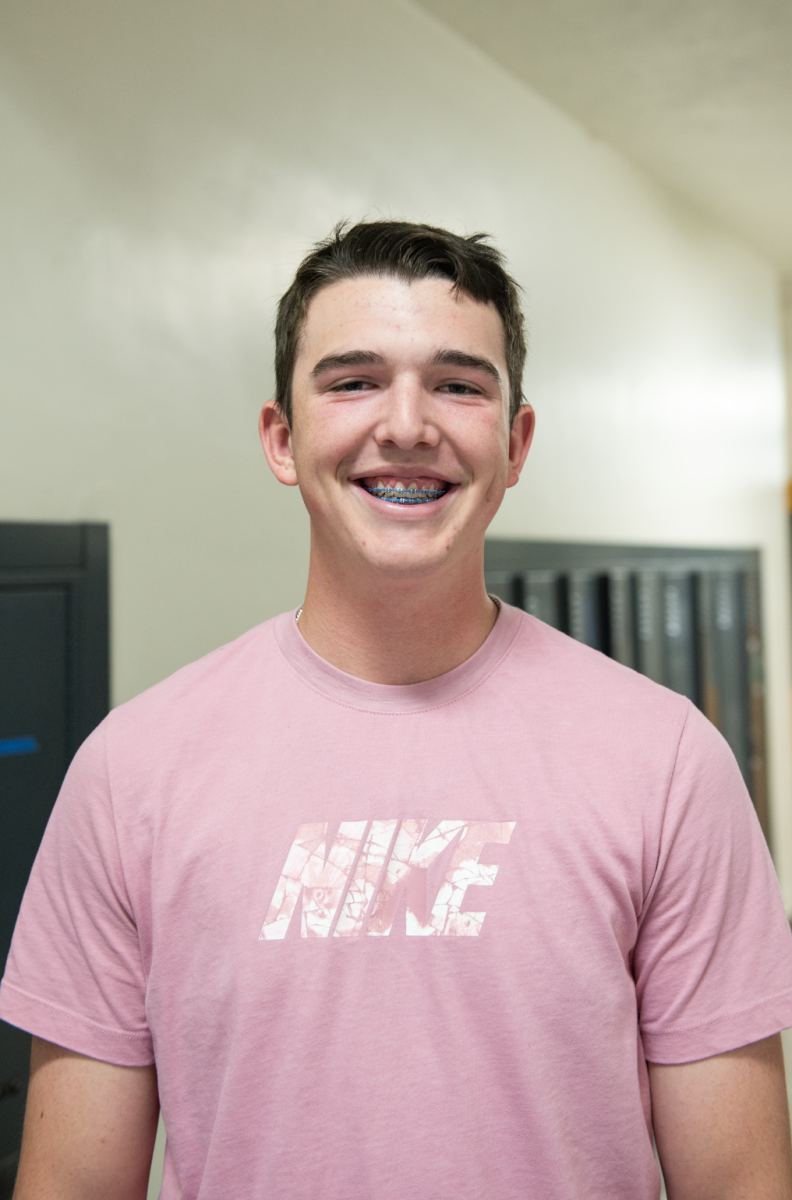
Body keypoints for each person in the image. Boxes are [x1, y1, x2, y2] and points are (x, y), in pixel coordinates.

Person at [3, 220, 792, 1200]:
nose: (408, 425)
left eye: (459, 383)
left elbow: (742, 1186)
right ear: (282, 439)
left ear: (516, 441)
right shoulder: (134, 773)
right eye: (353, 380)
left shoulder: (667, 762)